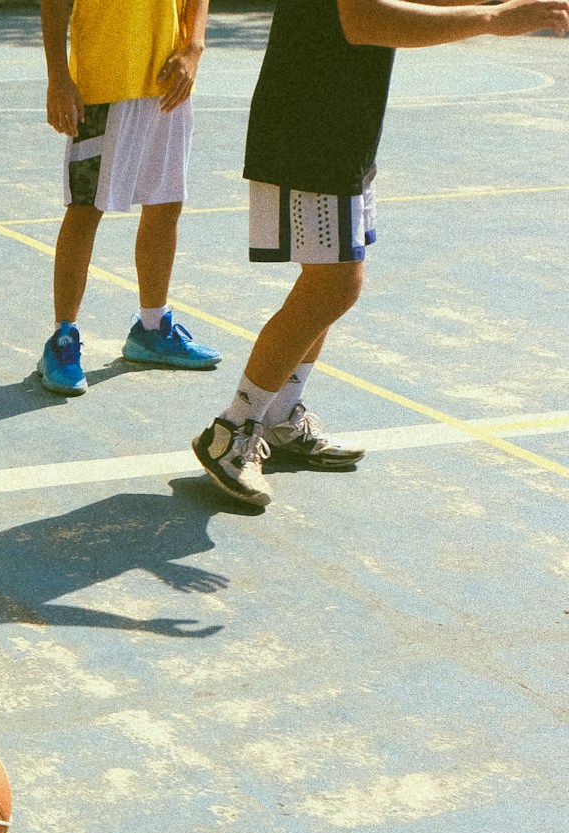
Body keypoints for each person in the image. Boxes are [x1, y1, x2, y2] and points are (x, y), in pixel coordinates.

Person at [192, 0, 569, 507]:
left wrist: (497, 5)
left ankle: (279, 415)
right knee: (333, 286)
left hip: (341, 125)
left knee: (329, 283)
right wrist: (492, 19)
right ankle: (232, 430)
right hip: (311, 124)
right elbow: (365, 20)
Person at [37, 0, 221, 396]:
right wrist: (58, 77)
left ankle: (152, 328)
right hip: (103, 82)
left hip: (168, 81)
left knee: (166, 203)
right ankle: (63, 338)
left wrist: (194, 46)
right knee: (85, 209)